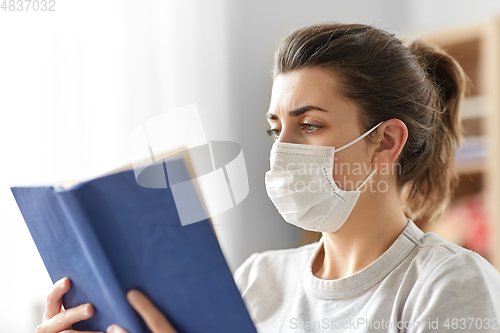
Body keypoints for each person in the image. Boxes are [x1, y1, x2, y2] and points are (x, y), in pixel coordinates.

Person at [36, 23, 500, 333]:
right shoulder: (258, 278)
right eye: (276, 129)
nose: (282, 150)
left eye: (311, 125)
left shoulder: (448, 283)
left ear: (385, 143)